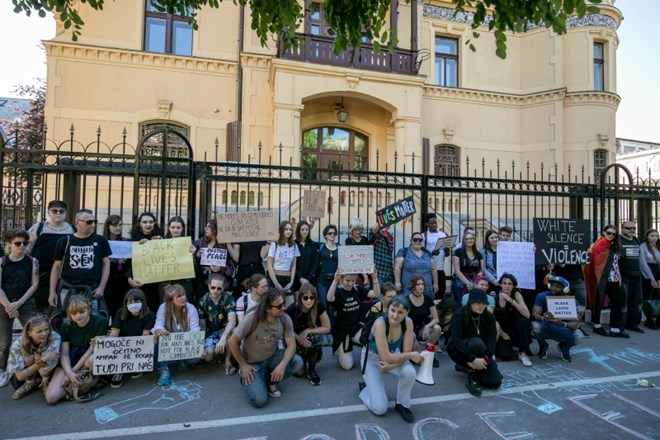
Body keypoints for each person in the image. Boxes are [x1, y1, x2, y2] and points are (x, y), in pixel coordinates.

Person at [228, 289, 304, 408]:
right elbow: (232, 341)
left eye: (283, 303)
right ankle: (252, 378)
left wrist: (282, 365)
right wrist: (243, 365)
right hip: (253, 363)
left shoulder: (284, 318)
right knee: (260, 401)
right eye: (279, 306)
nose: (284, 308)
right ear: (268, 309)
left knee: (297, 362)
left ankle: (269, 381)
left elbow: (291, 345)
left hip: (272, 356)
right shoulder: (252, 319)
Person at [358, 295, 421, 423]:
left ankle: (402, 404)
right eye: (393, 310)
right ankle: (366, 389)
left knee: (410, 372)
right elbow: (389, 356)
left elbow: (406, 350)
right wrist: (411, 356)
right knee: (380, 409)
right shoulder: (380, 323)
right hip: (371, 358)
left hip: (394, 355)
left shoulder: (408, 322)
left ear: (407, 313)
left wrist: (391, 366)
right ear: (388, 309)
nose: (395, 315)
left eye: (400, 312)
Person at [45, 296, 109, 404]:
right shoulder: (66, 325)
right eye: (74, 313)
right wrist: (69, 373)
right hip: (70, 360)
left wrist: (73, 372)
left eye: (82, 312)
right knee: (51, 398)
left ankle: (91, 379)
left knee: (92, 360)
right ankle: (79, 386)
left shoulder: (101, 321)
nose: (78, 316)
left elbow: (91, 349)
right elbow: (64, 354)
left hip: (88, 359)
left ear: (88, 310)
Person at [49, 209, 112, 316]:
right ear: (77, 222)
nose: (92, 225)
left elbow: (106, 264)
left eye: (94, 221)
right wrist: (52, 292)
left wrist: (101, 287)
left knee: (93, 321)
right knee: (68, 322)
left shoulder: (100, 240)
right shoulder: (64, 241)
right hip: (68, 289)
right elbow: (56, 267)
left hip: (92, 290)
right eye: (89, 222)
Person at [0, 229, 39, 388]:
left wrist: (18, 303)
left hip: (26, 303)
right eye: (18, 243)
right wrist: (9, 306)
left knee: (35, 335)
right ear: (9, 244)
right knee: (4, 341)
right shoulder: (2, 262)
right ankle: (2, 369)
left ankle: (34, 368)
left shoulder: (32, 261)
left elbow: (34, 284)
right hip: (4, 304)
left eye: (25, 243)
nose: (22, 246)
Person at [448, 289, 502, 397]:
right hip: (458, 350)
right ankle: (472, 375)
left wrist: (485, 359)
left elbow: (491, 341)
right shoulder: (459, 315)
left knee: (495, 382)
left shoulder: (489, 317)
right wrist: (473, 359)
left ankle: (467, 367)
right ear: (471, 302)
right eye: (478, 303)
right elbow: (457, 340)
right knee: (476, 342)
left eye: (483, 303)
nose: (481, 306)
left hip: (481, 354)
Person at [27, 200, 75, 313]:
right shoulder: (38, 228)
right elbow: (28, 249)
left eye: (61, 211)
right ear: (49, 212)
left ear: (65, 213)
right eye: (54, 211)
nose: (58, 213)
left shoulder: (72, 229)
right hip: (41, 273)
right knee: (42, 305)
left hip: (65, 274)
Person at [328, 271, 380, 370]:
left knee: (372, 341)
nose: (350, 283)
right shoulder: (338, 291)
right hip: (343, 330)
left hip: (356, 327)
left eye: (353, 280)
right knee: (347, 366)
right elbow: (330, 298)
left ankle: (354, 343)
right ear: (342, 279)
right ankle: (341, 348)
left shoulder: (357, 289)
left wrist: (374, 278)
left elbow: (376, 293)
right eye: (347, 280)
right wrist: (335, 280)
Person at [152, 284, 201, 385]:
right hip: (168, 341)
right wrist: (160, 331)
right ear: (171, 300)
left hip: (186, 341)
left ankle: (184, 361)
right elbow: (158, 324)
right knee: (156, 341)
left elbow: (195, 328)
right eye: (179, 296)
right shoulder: (163, 308)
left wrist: (191, 342)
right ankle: (163, 370)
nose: (183, 298)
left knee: (196, 357)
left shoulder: (191, 308)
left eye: (184, 295)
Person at [585, 224, 628, 338]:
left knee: (617, 303)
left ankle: (615, 328)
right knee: (598, 301)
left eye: (613, 234)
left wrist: (619, 276)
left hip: (614, 278)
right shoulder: (598, 244)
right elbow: (592, 258)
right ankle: (597, 325)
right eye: (608, 233)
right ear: (603, 232)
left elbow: (616, 263)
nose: (611, 235)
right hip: (600, 278)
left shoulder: (614, 245)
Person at [108, 288, 155, 388]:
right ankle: (118, 369)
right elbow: (114, 333)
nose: (133, 304)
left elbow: (145, 336)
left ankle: (136, 366)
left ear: (143, 301)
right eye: (130, 301)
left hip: (139, 344)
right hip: (122, 345)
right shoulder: (120, 312)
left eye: (136, 301)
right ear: (126, 303)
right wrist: (107, 342)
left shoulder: (149, 315)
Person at [6, 314, 60, 400]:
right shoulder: (17, 345)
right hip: (26, 372)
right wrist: (43, 358)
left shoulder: (54, 337)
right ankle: (30, 383)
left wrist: (39, 356)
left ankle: (45, 381)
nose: (44, 334)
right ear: (29, 333)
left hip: (46, 371)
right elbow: (20, 377)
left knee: (44, 371)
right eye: (39, 331)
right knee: (29, 358)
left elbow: (44, 371)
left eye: (46, 329)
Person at [285, 283, 330, 386]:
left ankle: (311, 370)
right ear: (300, 298)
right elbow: (284, 329)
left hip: (310, 339)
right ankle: (300, 360)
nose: (309, 300)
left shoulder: (319, 306)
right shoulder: (293, 308)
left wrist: (308, 331)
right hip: (294, 339)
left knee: (315, 338)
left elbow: (327, 328)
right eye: (305, 297)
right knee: (299, 373)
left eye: (311, 297)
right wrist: (298, 337)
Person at [532, 275, 582, 362]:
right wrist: (544, 318)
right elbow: (535, 314)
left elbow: (576, 324)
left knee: (578, 335)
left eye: (558, 286)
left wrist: (562, 323)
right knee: (534, 326)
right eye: (552, 285)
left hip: (563, 329)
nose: (554, 288)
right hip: (547, 325)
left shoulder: (572, 301)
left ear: (565, 289)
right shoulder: (542, 296)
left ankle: (564, 347)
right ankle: (543, 345)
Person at [197, 274, 237, 375]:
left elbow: (232, 321)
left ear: (223, 288)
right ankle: (217, 355)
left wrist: (223, 338)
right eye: (213, 287)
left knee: (232, 333)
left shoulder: (228, 299)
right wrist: (200, 344)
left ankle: (227, 361)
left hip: (225, 330)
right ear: (208, 286)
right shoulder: (203, 301)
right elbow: (202, 325)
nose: (215, 291)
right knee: (208, 356)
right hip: (211, 332)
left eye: (219, 288)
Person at [493, 273, 533, 367]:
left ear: (513, 285)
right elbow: (492, 319)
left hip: (515, 328)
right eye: (504, 283)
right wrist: (502, 333)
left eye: (509, 284)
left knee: (524, 322)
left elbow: (527, 315)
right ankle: (509, 349)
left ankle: (523, 353)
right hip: (502, 330)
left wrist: (511, 301)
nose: (507, 286)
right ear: (500, 284)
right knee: (505, 355)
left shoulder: (516, 294)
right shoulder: (495, 296)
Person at [127, 212, 163, 313]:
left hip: (155, 284)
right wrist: (129, 278)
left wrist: (160, 242)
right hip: (138, 282)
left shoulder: (160, 238)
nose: (148, 225)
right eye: (145, 222)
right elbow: (128, 263)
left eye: (151, 222)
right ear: (140, 224)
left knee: (154, 308)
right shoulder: (133, 240)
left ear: (155, 223)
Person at [194, 219, 239, 300]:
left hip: (219, 281)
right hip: (202, 281)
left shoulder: (225, 245)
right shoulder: (200, 242)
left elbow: (232, 266)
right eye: (206, 226)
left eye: (209, 227)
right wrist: (197, 255)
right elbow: (191, 260)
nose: (206, 229)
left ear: (216, 229)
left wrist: (220, 268)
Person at [405, 274, 442, 365]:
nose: (421, 286)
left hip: (422, 328)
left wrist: (427, 326)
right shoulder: (407, 299)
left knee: (437, 328)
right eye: (418, 284)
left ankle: (428, 353)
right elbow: (404, 320)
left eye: (422, 284)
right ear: (413, 286)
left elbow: (436, 318)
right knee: (419, 361)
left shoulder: (428, 298)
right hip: (409, 329)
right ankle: (414, 354)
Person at [102, 214, 130, 320]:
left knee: (119, 310)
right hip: (106, 282)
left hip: (122, 282)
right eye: (114, 225)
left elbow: (125, 268)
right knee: (105, 309)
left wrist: (121, 264)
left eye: (120, 225)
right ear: (108, 226)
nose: (118, 228)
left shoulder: (126, 242)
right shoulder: (102, 241)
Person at [162, 215, 196, 302]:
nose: (175, 230)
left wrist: (193, 254)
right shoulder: (161, 244)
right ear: (169, 228)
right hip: (166, 284)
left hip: (183, 284)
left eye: (178, 227)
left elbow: (195, 268)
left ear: (182, 229)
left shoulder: (190, 244)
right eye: (173, 227)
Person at [266, 220, 300, 307]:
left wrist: (291, 282)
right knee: (275, 307)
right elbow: (269, 264)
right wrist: (276, 283)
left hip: (288, 279)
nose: (288, 231)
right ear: (281, 230)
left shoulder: (294, 246)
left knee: (290, 307)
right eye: (286, 229)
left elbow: (293, 266)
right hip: (275, 278)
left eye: (290, 229)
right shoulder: (275, 244)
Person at [394, 232, 438, 297]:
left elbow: (434, 269)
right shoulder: (404, 251)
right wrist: (397, 281)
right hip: (408, 289)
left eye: (420, 240)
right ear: (411, 241)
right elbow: (397, 267)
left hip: (427, 289)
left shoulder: (427, 253)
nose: (417, 241)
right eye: (415, 240)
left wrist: (436, 283)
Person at [619, 221, 644, 333]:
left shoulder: (636, 240)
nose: (632, 230)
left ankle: (633, 324)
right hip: (623, 274)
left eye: (634, 228)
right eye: (628, 228)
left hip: (636, 274)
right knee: (623, 301)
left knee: (636, 301)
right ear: (622, 229)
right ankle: (620, 325)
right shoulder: (618, 240)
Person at [451, 232, 483, 304]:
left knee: (472, 304)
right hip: (460, 282)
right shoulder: (457, 253)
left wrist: (475, 282)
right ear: (463, 241)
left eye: (471, 238)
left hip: (474, 282)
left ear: (474, 240)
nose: (469, 240)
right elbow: (457, 270)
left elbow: (480, 270)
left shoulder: (478, 254)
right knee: (461, 304)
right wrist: (468, 283)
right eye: (467, 239)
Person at [316, 224, 339, 323]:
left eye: (334, 233)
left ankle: (332, 330)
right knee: (323, 305)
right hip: (322, 281)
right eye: (330, 233)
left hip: (335, 281)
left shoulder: (340, 247)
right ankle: (324, 328)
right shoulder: (321, 247)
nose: (332, 235)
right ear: (325, 235)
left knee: (334, 306)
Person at [422, 214, 449, 298]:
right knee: (428, 293)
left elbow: (447, 254)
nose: (434, 224)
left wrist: (447, 250)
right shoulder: (424, 236)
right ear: (427, 224)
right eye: (431, 223)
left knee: (440, 293)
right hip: (428, 269)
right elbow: (421, 253)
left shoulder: (444, 235)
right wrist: (432, 253)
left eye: (435, 222)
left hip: (440, 269)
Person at [640, 228, 660, 330]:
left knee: (658, 297)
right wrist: (651, 278)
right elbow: (643, 264)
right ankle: (650, 319)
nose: (654, 238)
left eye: (656, 236)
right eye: (652, 235)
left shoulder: (657, 246)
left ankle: (658, 318)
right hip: (647, 274)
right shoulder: (642, 247)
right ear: (647, 236)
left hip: (658, 272)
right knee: (649, 297)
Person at [293, 220, 319, 293]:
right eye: (302, 229)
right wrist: (300, 278)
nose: (305, 231)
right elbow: (293, 263)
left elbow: (315, 263)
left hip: (310, 280)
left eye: (307, 229)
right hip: (297, 280)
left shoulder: (313, 245)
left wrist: (308, 278)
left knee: (310, 301)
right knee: (298, 303)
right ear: (298, 230)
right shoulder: (294, 244)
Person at [345, 218, 370, 288]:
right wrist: (365, 277)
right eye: (356, 229)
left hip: (367, 271)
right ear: (351, 230)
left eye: (360, 229)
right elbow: (355, 259)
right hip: (356, 275)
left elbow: (368, 256)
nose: (358, 231)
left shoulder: (365, 239)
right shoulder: (349, 240)